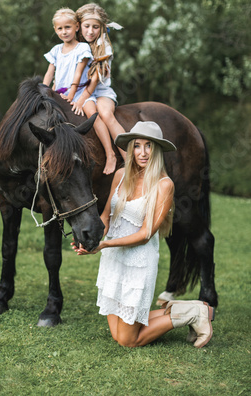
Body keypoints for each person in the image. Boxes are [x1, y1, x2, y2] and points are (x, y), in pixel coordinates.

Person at [72, 121, 215, 348]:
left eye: (149, 146)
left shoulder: (164, 185)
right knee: (118, 336)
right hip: (114, 260)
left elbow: (146, 234)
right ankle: (194, 309)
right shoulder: (120, 175)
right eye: (137, 146)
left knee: (128, 340)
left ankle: (192, 314)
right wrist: (91, 240)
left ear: (157, 150)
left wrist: (105, 246)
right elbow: (106, 216)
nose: (143, 152)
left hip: (138, 263)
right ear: (130, 149)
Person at [43, 7, 117, 175]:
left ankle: (110, 153)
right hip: (59, 92)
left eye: (67, 27)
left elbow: (78, 72)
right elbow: (50, 73)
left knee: (93, 114)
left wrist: (72, 94)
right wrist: (44, 90)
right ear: (55, 30)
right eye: (60, 29)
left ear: (76, 27)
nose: (64, 32)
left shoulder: (82, 48)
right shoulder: (56, 50)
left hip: (78, 91)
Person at [75, 3, 126, 161]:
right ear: (79, 26)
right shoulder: (74, 45)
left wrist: (82, 99)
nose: (90, 31)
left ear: (102, 27)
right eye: (87, 26)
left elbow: (96, 79)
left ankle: (128, 157)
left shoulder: (104, 48)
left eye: (95, 27)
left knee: (105, 114)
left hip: (100, 91)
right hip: (78, 91)